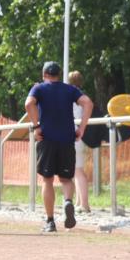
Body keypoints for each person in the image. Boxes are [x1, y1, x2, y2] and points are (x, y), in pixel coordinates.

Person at [24, 61, 93, 233]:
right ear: (59, 75)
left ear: (44, 74)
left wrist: (36, 126)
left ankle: (50, 221)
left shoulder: (39, 89)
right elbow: (88, 103)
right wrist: (82, 128)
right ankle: (68, 201)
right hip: (67, 139)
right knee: (66, 179)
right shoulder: (69, 89)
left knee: (47, 180)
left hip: (46, 138)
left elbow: (28, 103)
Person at [68, 70, 93, 213]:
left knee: (77, 171)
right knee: (76, 170)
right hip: (80, 135)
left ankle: (84, 203)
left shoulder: (71, 97)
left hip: (75, 135)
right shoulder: (81, 96)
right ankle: (79, 202)